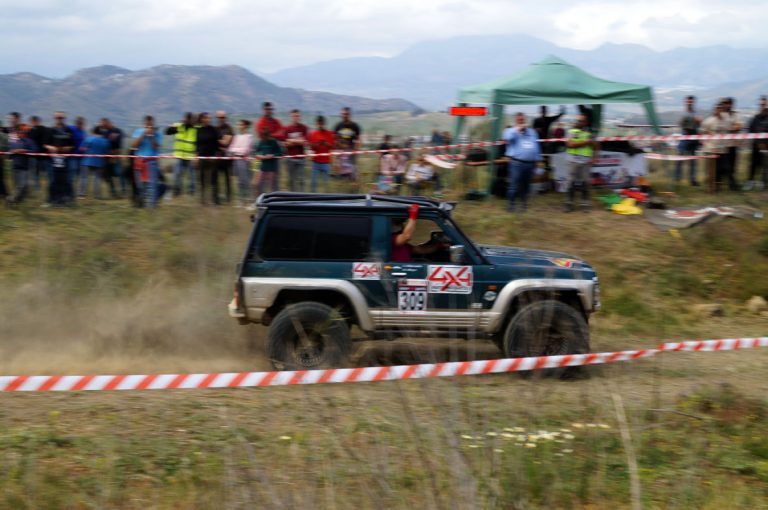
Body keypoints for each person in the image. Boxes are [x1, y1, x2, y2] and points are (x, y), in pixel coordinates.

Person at [503, 112, 542, 212]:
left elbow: (536, 146)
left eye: (523, 120)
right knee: (514, 185)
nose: (521, 121)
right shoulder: (510, 131)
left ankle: (524, 205)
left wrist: (537, 160)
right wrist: (518, 129)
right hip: (517, 163)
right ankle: (511, 206)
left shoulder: (532, 132)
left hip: (530, 163)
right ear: (516, 120)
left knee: (526, 186)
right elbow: (507, 139)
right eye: (519, 120)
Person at [564, 114, 597, 211]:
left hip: (585, 161)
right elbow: (570, 144)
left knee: (585, 183)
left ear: (585, 123)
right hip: (572, 160)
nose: (578, 122)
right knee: (570, 182)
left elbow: (597, 146)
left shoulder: (590, 134)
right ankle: (569, 204)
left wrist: (594, 157)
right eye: (577, 120)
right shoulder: (571, 131)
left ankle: (585, 204)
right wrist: (586, 142)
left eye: (581, 121)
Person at [44, 112, 76, 207]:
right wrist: (51, 148)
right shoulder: (50, 130)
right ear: (54, 118)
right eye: (58, 117)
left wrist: (68, 148)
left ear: (64, 118)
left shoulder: (68, 130)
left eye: (61, 117)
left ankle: (66, 200)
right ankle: (52, 200)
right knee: (53, 180)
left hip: (66, 159)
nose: (59, 119)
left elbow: (72, 144)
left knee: (66, 180)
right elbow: (45, 144)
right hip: (53, 159)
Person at [131, 115, 162, 208]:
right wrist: (143, 134)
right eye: (147, 125)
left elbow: (156, 146)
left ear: (153, 124)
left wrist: (151, 136)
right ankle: (141, 205)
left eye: (151, 125)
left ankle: (151, 207)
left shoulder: (157, 134)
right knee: (140, 185)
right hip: (139, 161)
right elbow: (134, 146)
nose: (149, 126)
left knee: (152, 185)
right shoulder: (138, 132)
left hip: (151, 161)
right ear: (144, 124)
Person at [165, 112, 197, 197]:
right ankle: (177, 193)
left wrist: (196, 156)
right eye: (186, 119)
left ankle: (191, 193)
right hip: (179, 156)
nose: (187, 121)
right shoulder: (178, 126)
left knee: (192, 177)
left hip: (190, 157)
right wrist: (172, 127)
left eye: (189, 119)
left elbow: (198, 142)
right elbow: (167, 132)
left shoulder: (195, 129)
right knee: (177, 175)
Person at [80, 126, 113, 199]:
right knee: (97, 179)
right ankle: (97, 196)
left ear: (93, 131)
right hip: (99, 162)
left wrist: (88, 149)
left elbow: (82, 148)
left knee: (84, 178)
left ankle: (82, 195)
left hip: (87, 161)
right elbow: (108, 151)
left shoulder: (88, 139)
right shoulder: (105, 141)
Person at [675, 95, 701, 186]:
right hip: (685, 136)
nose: (690, 103)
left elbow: (699, 124)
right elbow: (679, 124)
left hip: (694, 135)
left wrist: (698, 121)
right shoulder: (683, 112)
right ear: (686, 102)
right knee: (680, 157)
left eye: (691, 101)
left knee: (693, 159)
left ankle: (693, 179)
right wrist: (682, 122)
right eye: (688, 101)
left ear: (694, 102)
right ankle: (677, 177)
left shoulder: (696, 112)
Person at [195, 112, 220, 205]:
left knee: (213, 179)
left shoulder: (213, 129)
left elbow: (217, 143)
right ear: (201, 119)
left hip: (212, 157)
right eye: (206, 118)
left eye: (209, 118)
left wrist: (217, 154)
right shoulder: (199, 130)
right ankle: (202, 201)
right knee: (202, 179)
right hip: (202, 157)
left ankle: (215, 200)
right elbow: (197, 145)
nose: (208, 120)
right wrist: (196, 157)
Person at [228, 119, 254, 205]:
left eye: (241, 125)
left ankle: (250, 201)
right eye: (238, 125)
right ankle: (241, 200)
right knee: (239, 182)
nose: (239, 126)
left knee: (246, 181)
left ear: (245, 126)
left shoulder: (249, 137)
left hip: (244, 161)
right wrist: (237, 150)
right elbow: (230, 148)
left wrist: (236, 150)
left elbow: (245, 151)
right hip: (236, 160)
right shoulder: (236, 137)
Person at [7, 123, 34, 205]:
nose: (20, 133)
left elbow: (35, 150)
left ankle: (11, 199)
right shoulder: (13, 143)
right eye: (18, 132)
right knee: (18, 186)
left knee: (23, 185)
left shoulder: (28, 141)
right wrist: (13, 151)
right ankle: (15, 201)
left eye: (22, 132)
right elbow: (9, 155)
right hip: (15, 166)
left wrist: (25, 151)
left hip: (24, 167)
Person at [745, 95, 768, 191]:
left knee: (765, 165)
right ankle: (750, 181)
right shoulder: (756, 118)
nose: (762, 106)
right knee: (753, 164)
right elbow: (750, 130)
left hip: (767, 146)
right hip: (756, 145)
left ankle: (763, 182)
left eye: (764, 104)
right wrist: (758, 142)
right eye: (761, 105)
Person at [98, 118, 125, 197]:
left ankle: (123, 191)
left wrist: (114, 156)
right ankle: (113, 192)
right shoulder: (105, 133)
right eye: (102, 125)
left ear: (108, 123)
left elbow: (119, 145)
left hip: (116, 156)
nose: (102, 126)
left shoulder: (117, 131)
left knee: (119, 173)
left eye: (103, 125)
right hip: (106, 158)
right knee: (107, 175)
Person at [333, 106, 361, 181]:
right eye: (343, 114)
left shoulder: (355, 126)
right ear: (341, 114)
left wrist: (356, 150)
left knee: (352, 174)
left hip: (351, 152)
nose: (345, 115)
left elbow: (358, 139)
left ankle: (353, 188)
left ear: (350, 114)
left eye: (346, 114)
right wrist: (340, 146)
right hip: (340, 153)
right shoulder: (338, 125)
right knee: (340, 174)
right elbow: (334, 139)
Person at [283, 109, 309, 192]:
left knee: (301, 180)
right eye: (294, 116)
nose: (296, 117)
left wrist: (292, 140)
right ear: (291, 117)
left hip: (301, 158)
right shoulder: (287, 129)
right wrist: (298, 141)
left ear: (300, 117)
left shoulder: (304, 128)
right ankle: (292, 196)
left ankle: (302, 196)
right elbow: (286, 144)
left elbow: (304, 142)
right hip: (290, 158)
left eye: (297, 116)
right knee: (291, 180)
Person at [308, 115, 335, 193]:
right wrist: (317, 144)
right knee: (313, 183)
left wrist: (325, 143)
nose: (320, 125)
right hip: (315, 162)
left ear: (324, 123)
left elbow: (332, 146)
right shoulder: (313, 134)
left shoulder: (329, 133)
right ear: (317, 124)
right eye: (319, 124)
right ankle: (312, 198)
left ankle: (327, 198)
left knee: (326, 183)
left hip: (326, 162)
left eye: (322, 124)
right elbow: (311, 147)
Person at [254, 126, 283, 195]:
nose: (264, 139)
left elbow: (280, 153)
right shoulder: (261, 141)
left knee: (272, 185)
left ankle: (273, 199)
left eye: (265, 137)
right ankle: (261, 198)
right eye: (262, 137)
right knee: (258, 183)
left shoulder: (274, 142)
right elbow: (256, 152)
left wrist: (272, 155)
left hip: (272, 167)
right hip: (263, 166)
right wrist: (259, 155)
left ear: (268, 135)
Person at [215, 111, 234, 203]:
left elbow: (226, 142)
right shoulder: (215, 128)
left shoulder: (229, 128)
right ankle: (217, 199)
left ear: (225, 118)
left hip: (227, 158)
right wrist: (221, 142)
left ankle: (229, 199)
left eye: (223, 117)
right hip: (217, 157)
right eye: (219, 117)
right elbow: (212, 142)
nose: (221, 119)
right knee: (216, 179)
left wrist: (217, 141)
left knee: (227, 179)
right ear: (217, 118)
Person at [27, 116, 48, 194]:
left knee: (45, 174)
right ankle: (37, 190)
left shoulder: (44, 129)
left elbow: (46, 141)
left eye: (35, 121)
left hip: (43, 157)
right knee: (35, 175)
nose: (34, 123)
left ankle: (46, 190)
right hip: (34, 157)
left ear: (38, 121)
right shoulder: (30, 131)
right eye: (32, 121)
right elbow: (28, 143)